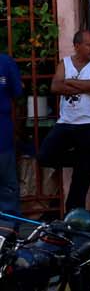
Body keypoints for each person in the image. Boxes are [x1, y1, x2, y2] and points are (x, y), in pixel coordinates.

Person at [37, 30, 90, 216]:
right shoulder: (65, 63)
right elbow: (55, 87)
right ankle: (84, 161)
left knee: (81, 177)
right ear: (77, 46)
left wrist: (68, 82)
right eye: (88, 45)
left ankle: (74, 214)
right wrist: (86, 85)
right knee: (45, 155)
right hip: (66, 123)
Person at [0, 46, 21, 219]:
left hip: (3, 131)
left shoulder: (5, 62)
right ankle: (7, 232)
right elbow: (17, 91)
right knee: (7, 187)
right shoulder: (5, 62)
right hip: (3, 132)